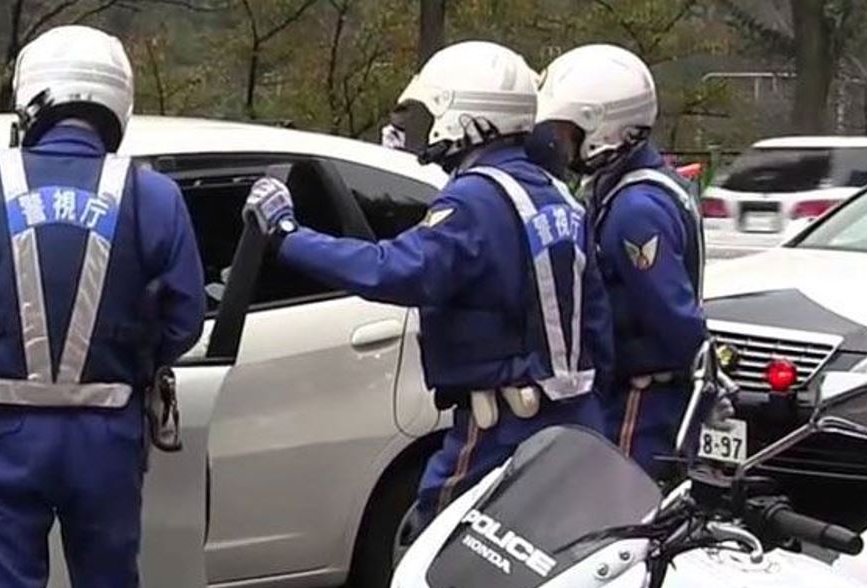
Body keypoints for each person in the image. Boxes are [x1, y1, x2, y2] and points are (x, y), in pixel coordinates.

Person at [243, 41, 613, 536]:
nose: (423, 126)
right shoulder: (556, 195)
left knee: (438, 545)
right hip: (576, 420)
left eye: (434, 111)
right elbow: (597, 321)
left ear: (467, 115)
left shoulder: (476, 199)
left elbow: (392, 270)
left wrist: (287, 237)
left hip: (503, 428)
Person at [0, 25, 205, 588]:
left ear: (33, 97)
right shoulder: (153, 194)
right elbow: (187, 317)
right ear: (116, 103)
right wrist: (135, 360)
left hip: (2, 430)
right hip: (107, 435)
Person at [534, 44, 707, 479]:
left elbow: (672, 316)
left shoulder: (635, 209)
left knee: (625, 518)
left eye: (568, 130)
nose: (560, 142)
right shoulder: (623, 189)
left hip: (643, 400)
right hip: (635, 395)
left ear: (603, 128)